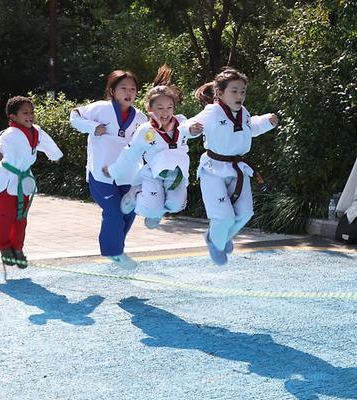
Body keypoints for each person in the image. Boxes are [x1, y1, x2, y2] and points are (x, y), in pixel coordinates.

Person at [186, 67, 278, 265]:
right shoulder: (211, 112)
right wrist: (190, 129)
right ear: (220, 93)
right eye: (234, 91)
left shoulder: (243, 113)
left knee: (245, 213)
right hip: (213, 169)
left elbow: (250, 128)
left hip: (238, 169)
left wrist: (266, 121)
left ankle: (220, 238)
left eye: (242, 91)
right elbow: (190, 125)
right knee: (224, 217)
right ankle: (216, 243)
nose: (240, 95)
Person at [104, 65, 201, 229]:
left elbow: (188, 128)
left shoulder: (181, 121)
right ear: (150, 109)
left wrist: (193, 130)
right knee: (151, 207)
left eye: (169, 107)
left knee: (177, 205)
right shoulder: (145, 130)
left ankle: (158, 211)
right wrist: (113, 171)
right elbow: (130, 153)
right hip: (153, 175)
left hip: (176, 174)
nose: (165, 113)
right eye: (160, 108)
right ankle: (136, 195)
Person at [70, 70, 148, 270]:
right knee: (113, 212)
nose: (128, 92)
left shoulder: (140, 118)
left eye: (132, 89)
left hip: (128, 175)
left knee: (128, 212)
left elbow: (150, 143)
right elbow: (75, 115)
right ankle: (114, 251)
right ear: (112, 91)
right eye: (123, 88)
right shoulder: (100, 108)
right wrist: (92, 126)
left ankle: (116, 249)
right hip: (101, 173)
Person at [0, 96, 63, 268]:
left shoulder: (37, 132)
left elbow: (50, 146)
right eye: (25, 113)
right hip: (6, 180)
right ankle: (4, 247)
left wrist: (55, 156)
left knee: (21, 217)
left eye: (31, 112)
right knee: (0, 216)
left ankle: (17, 248)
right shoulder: (10, 134)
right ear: (13, 117)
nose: (30, 116)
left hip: (24, 180)